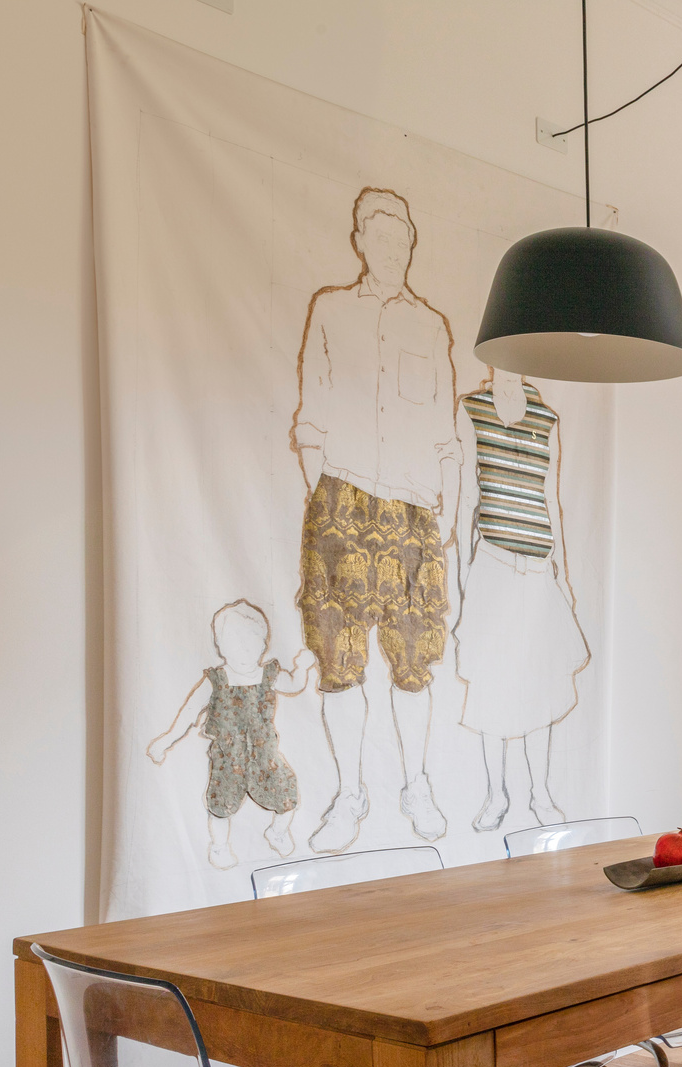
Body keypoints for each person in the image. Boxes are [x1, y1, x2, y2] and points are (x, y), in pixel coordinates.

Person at [291, 187, 461, 852]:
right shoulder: (332, 311)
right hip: (343, 498)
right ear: (360, 241)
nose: (392, 251)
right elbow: (312, 413)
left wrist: (442, 510)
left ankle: (415, 784)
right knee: (340, 661)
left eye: (403, 241)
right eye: (379, 238)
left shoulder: (431, 325)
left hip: (415, 510)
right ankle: (349, 793)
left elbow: (445, 429)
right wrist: (326, 496)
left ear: (410, 248)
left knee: (414, 660)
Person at [451, 369, 591, 830]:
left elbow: (551, 499)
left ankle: (541, 793)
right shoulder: (472, 410)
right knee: (492, 684)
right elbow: (467, 494)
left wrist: (563, 573)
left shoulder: (546, 418)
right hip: (492, 565)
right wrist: (461, 574)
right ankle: (496, 795)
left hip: (538, 570)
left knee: (541, 683)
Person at [147, 601, 315, 869]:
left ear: (263, 644)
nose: (244, 650)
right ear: (220, 646)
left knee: (287, 795)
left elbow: (294, 685)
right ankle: (219, 846)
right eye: (235, 643)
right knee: (220, 807)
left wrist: (303, 668)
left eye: (252, 643)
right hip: (228, 761)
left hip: (265, 757)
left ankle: (278, 832)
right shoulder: (216, 681)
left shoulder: (268, 675)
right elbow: (190, 713)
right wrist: (166, 741)